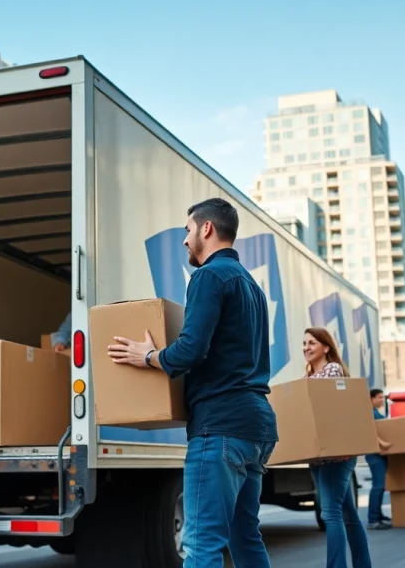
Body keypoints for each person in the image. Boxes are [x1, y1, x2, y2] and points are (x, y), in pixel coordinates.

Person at [107, 198, 279, 568]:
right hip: (256, 426)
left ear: (207, 229)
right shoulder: (253, 288)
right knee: (246, 538)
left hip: (220, 426)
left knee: (201, 543)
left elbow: (191, 350)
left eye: (187, 229)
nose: (184, 240)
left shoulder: (208, 277)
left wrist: (148, 357)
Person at [303, 327, 383, 568]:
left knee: (331, 513)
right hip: (320, 456)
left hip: (337, 455)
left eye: (312, 343)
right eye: (304, 343)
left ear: (326, 347)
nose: (306, 347)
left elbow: (333, 412)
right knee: (347, 514)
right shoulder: (308, 376)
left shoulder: (332, 371)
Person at [365, 388, 391, 530]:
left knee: (381, 486)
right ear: (371, 399)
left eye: (383, 397)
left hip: (380, 454)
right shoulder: (368, 412)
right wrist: (383, 443)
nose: (382, 400)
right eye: (379, 397)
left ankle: (378, 515)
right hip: (374, 454)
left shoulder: (376, 413)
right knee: (378, 486)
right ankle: (373, 519)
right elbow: (368, 430)